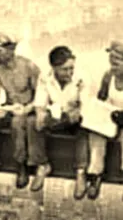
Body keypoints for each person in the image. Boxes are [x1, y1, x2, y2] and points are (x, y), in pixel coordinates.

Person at [0, 33, 40, 188]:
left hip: (28, 110)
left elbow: (41, 97)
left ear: (11, 49)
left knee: (17, 122)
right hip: (11, 107)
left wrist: (26, 109)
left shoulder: (29, 67)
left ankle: (21, 165)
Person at [28, 45, 88, 199]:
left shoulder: (81, 78)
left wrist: (78, 111)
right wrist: (41, 113)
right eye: (64, 69)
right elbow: (40, 102)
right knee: (32, 122)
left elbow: (86, 104)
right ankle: (42, 164)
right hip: (56, 117)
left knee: (84, 127)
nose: (69, 73)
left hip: (74, 119)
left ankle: (80, 172)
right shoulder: (45, 78)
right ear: (54, 68)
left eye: (71, 68)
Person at [87, 40, 123, 199]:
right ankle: (95, 174)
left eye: (117, 63)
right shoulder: (108, 76)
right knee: (96, 134)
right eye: (111, 63)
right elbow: (101, 99)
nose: (113, 67)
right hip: (112, 118)